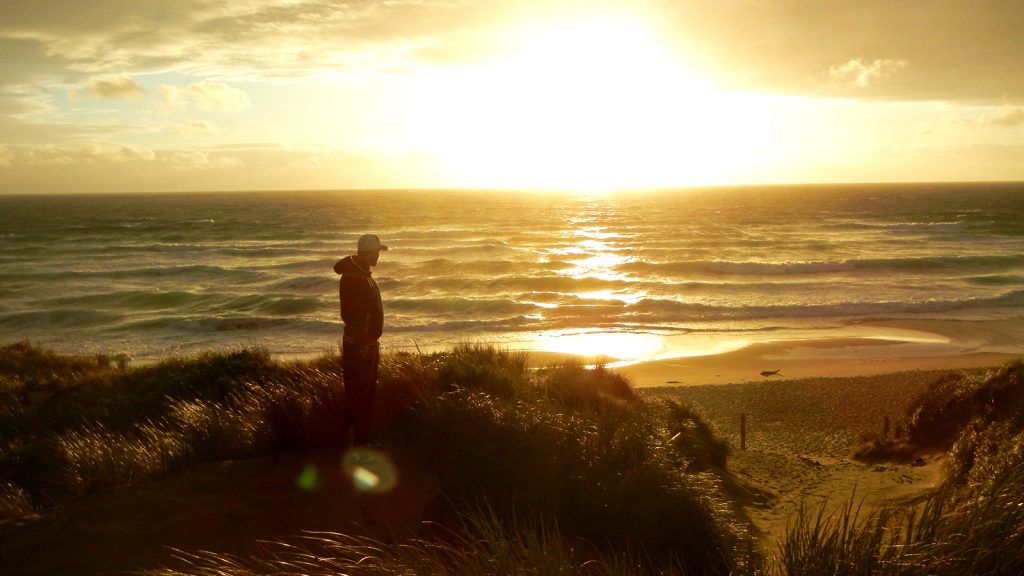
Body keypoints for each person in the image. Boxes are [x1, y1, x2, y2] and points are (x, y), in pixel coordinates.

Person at [334, 233, 388, 445]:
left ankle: (361, 441)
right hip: (360, 346)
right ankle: (357, 443)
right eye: (377, 252)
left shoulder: (362, 275)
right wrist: (364, 342)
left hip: (365, 344)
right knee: (359, 394)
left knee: (365, 394)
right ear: (369, 253)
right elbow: (352, 314)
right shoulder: (354, 278)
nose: (379, 256)